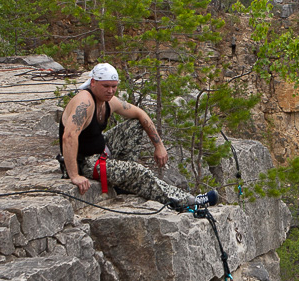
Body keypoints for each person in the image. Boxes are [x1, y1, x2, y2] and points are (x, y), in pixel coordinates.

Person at [58, 62, 207, 209]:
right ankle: (186, 200)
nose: (110, 91)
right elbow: (69, 136)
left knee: (135, 124)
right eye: (106, 86)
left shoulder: (108, 102)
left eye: (114, 86)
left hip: (99, 150)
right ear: (93, 82)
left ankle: (124, 180)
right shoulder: (84, 102)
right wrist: (74, 175)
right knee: (138, 171)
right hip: (85, 162)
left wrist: (159, 146)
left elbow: (140, 114)